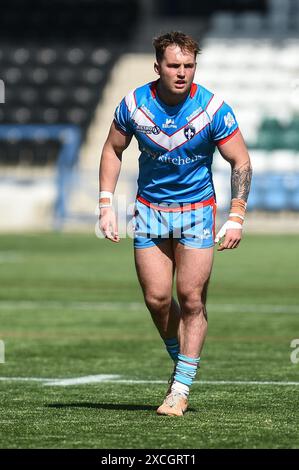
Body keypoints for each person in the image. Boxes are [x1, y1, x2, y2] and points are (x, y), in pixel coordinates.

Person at [98, 31, 252, 416]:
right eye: (173, 66)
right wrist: (105, 204)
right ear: (157, 67)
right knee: (157, 299)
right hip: (149, 210)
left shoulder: (213, 109)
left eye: (188, 66)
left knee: (192, 298)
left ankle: (180, 389)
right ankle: (181, 358)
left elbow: (241, 162)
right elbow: (113, 149)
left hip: (197, 212)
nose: (182, 73)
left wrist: (236, 216)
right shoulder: (133, 104)